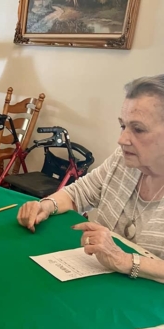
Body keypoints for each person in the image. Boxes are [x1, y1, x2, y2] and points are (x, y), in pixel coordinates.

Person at [17, 74, 164, 283]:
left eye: (138, 129)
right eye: (123, 126)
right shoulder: (122, 161)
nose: (122, 140)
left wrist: (125, 260)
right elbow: (78, 192)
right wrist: (47, 206)